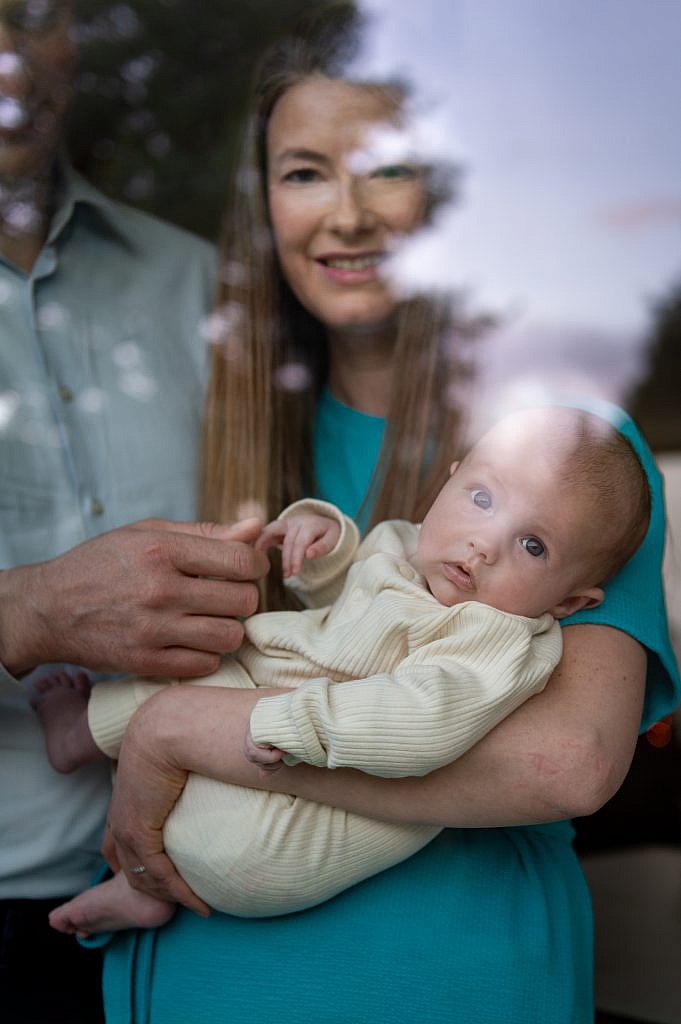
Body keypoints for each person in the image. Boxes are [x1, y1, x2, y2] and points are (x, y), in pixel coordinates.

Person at [93, 12, 680, 1023]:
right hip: (205, 974)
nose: (347, 215)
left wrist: (180, 733)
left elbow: (567, 763)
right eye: (306, 173)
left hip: (454, 980)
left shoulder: (567, 449)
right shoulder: (205, 425)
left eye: (389, 170)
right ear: (265, 203)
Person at [35, 404, 651, 930]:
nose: (484, 543)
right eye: (483, 499)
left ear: (570, 603)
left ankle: (83, 733)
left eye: (533, 545)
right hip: (239, 806)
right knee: (203, 662)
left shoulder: (498, 640)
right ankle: (140, 887)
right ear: (449, 481)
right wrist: (325, 544)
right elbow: (350, 600)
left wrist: (282, 723)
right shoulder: (410, 547)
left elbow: (420, 725)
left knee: (205, 674)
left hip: (279, 842)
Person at [0, 3, 267, 1022]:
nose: (9, 54)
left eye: (34, 14)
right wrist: (26, 608)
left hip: (209, 883)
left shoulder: (202, 285)